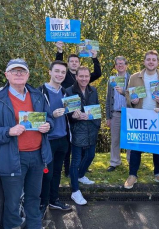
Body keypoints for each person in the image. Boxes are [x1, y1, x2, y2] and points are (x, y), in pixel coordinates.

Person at [0, 58, 53, 229]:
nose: (18, 74)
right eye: (14, 71)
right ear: (7, 75)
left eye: (22, 71)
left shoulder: (38, 96)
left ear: (28, 75)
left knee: (34, 199)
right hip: (11, 158)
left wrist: (48, 125)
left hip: (38, 157)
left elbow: (50, 119)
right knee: (12, 203)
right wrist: (8, 131)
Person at [124, 50, 159, 189]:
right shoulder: (134, 77)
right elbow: (128, 95)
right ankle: (132, 175)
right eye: (148, 59)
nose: (151, 62)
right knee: (136, 147)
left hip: (158, 116)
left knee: (158, 147)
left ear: (158, 62)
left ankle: (158, 173)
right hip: (139, 116)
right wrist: (132, 101)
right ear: (144, 61)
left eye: (154, 59)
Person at [55, 41, 102, 177]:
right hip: (67, 111)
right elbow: (57, 66)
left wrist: (94, 57)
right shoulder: (63, 76)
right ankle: (68, 170)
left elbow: (97, 73)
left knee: (80, 144)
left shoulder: (84, 77)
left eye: (76, 61)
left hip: (82, 115)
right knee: (68, 144)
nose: (74, 63)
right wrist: (59, 52)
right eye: (72, 61)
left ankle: (80, 169)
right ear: (68, 63)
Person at [38, 60, 72, 218]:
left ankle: (54, 200)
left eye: (63, 72)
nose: (60, 74)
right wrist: (52, 115)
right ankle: (42, 204)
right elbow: (35, 118)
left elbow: (70, 113)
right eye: (57, 71)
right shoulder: (40, 92)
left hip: (62, 139)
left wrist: (75, 113)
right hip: (47, 140)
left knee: (57, 172)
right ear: (50, 72)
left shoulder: (65, 92)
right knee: (47, 173)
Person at [66, 66, 101, 205]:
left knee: (91, 155)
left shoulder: (93, 90)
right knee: (75, 161)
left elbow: (96, 109)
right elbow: (67, 114)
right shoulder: (69, 91)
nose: (84, 79)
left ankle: (80, 175)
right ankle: (75, 191)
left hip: (91, 129)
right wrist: (73, 116)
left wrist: (95, 120)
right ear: (76, 76)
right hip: (77, 130)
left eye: (87, 76)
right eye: (81, 76)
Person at [105, 56, 131, 172]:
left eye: (122, 63)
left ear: (126, 65)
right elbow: (108, 100)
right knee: (115, 139)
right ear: (115, 66)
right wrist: (108, 117)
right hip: (115, 113)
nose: (120, 65)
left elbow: (136, 97)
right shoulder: (112, 80)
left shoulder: (132, 79)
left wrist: (124, 91)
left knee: (130, 139)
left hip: (130, 113)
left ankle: (131, 161)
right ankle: (114, 162)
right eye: (118, 64)